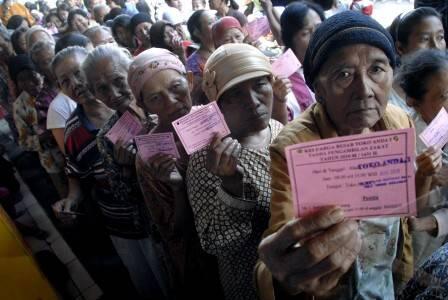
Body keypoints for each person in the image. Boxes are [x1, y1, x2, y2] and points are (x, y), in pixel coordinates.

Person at [255, 11, 435, 299]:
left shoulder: (399, 121)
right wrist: (285, 277)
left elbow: (405, 209)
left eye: (377, 69)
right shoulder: (295, 147)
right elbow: (284, 247)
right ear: (318, 90)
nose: (365, 90)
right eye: (344, 75)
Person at [186, 43, 284, 299]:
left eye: (259, 84)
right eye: (235, 95)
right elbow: (216, 243)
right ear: (218, 105)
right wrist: (232, 186)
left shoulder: (277, 129)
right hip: (253, 282)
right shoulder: (208, 159)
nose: (253, 102)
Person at [128, 47, 224, 299]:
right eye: (156, 98)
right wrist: (177, 186)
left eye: (176, 87)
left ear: (190, 81)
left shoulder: (212, 119)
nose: (171, 103)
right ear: (142, 104)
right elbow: (174, 231)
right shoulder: (150, 158)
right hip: (201, 258)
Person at [81, 44, 170, 299]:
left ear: (131, 71)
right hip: (161, 227)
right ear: (95, 93)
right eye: (102, 89)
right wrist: (127, 169)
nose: (113, 93)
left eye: (118, 81)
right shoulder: (108, 137)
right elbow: (125, 197)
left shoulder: (164, 104)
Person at [397, 49, 448, 268]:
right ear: (413, 101)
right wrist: (426, 176)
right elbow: (409, 209)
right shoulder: (407, 141)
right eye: (444, 96)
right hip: (417, 249)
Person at [389, 7, 446, 114]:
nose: (436, 46)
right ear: (400, 48)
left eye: (440, 37)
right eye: (424, 39)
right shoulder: (389, 100)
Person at [279, 2, 325, 117]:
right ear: (289, 39)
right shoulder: (282, 80)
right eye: (305, 33)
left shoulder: (332, 61)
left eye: (319, 28)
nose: (317, 36)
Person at [186, 9, 216, 105]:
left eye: (216, 20)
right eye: (211, 23)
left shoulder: (226, 46)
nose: (216, 25)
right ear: (197, 32)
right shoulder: (193, 63)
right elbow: (198, 97)